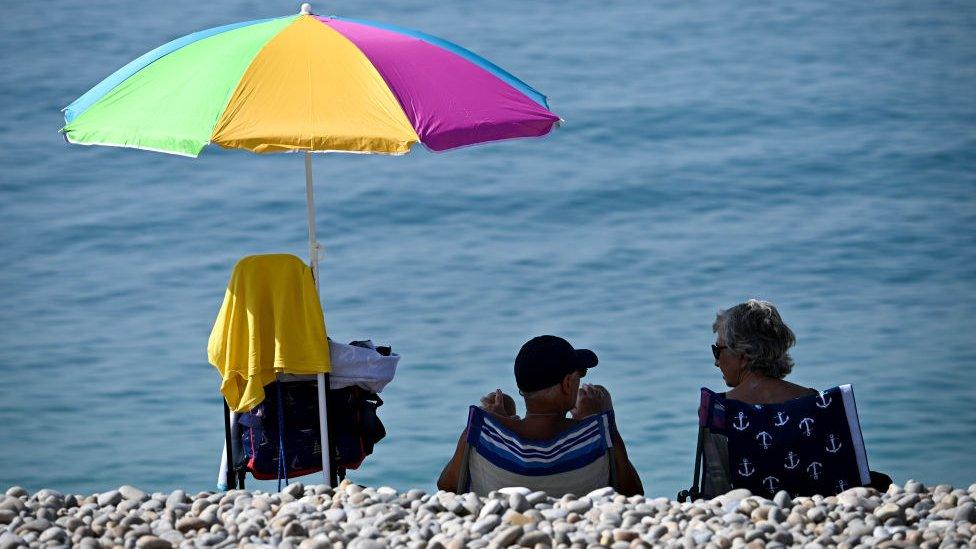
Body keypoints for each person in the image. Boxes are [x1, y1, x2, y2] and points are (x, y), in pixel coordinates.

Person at [701, 299, 890, 496]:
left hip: (748, 511)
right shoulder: (815, 401)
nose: (715, 361)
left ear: (742, 352)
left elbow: (715, 491)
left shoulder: (720, 411)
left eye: (717, 350)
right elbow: (837, 477)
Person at [437, 335, 643, 496]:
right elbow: (632, 493)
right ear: (567, 383)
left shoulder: (484, 431)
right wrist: (599, 419)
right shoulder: (597, 434)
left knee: (506, 407)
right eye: (580, 375)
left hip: (500, 530)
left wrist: (503, 421)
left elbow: (447, 486)